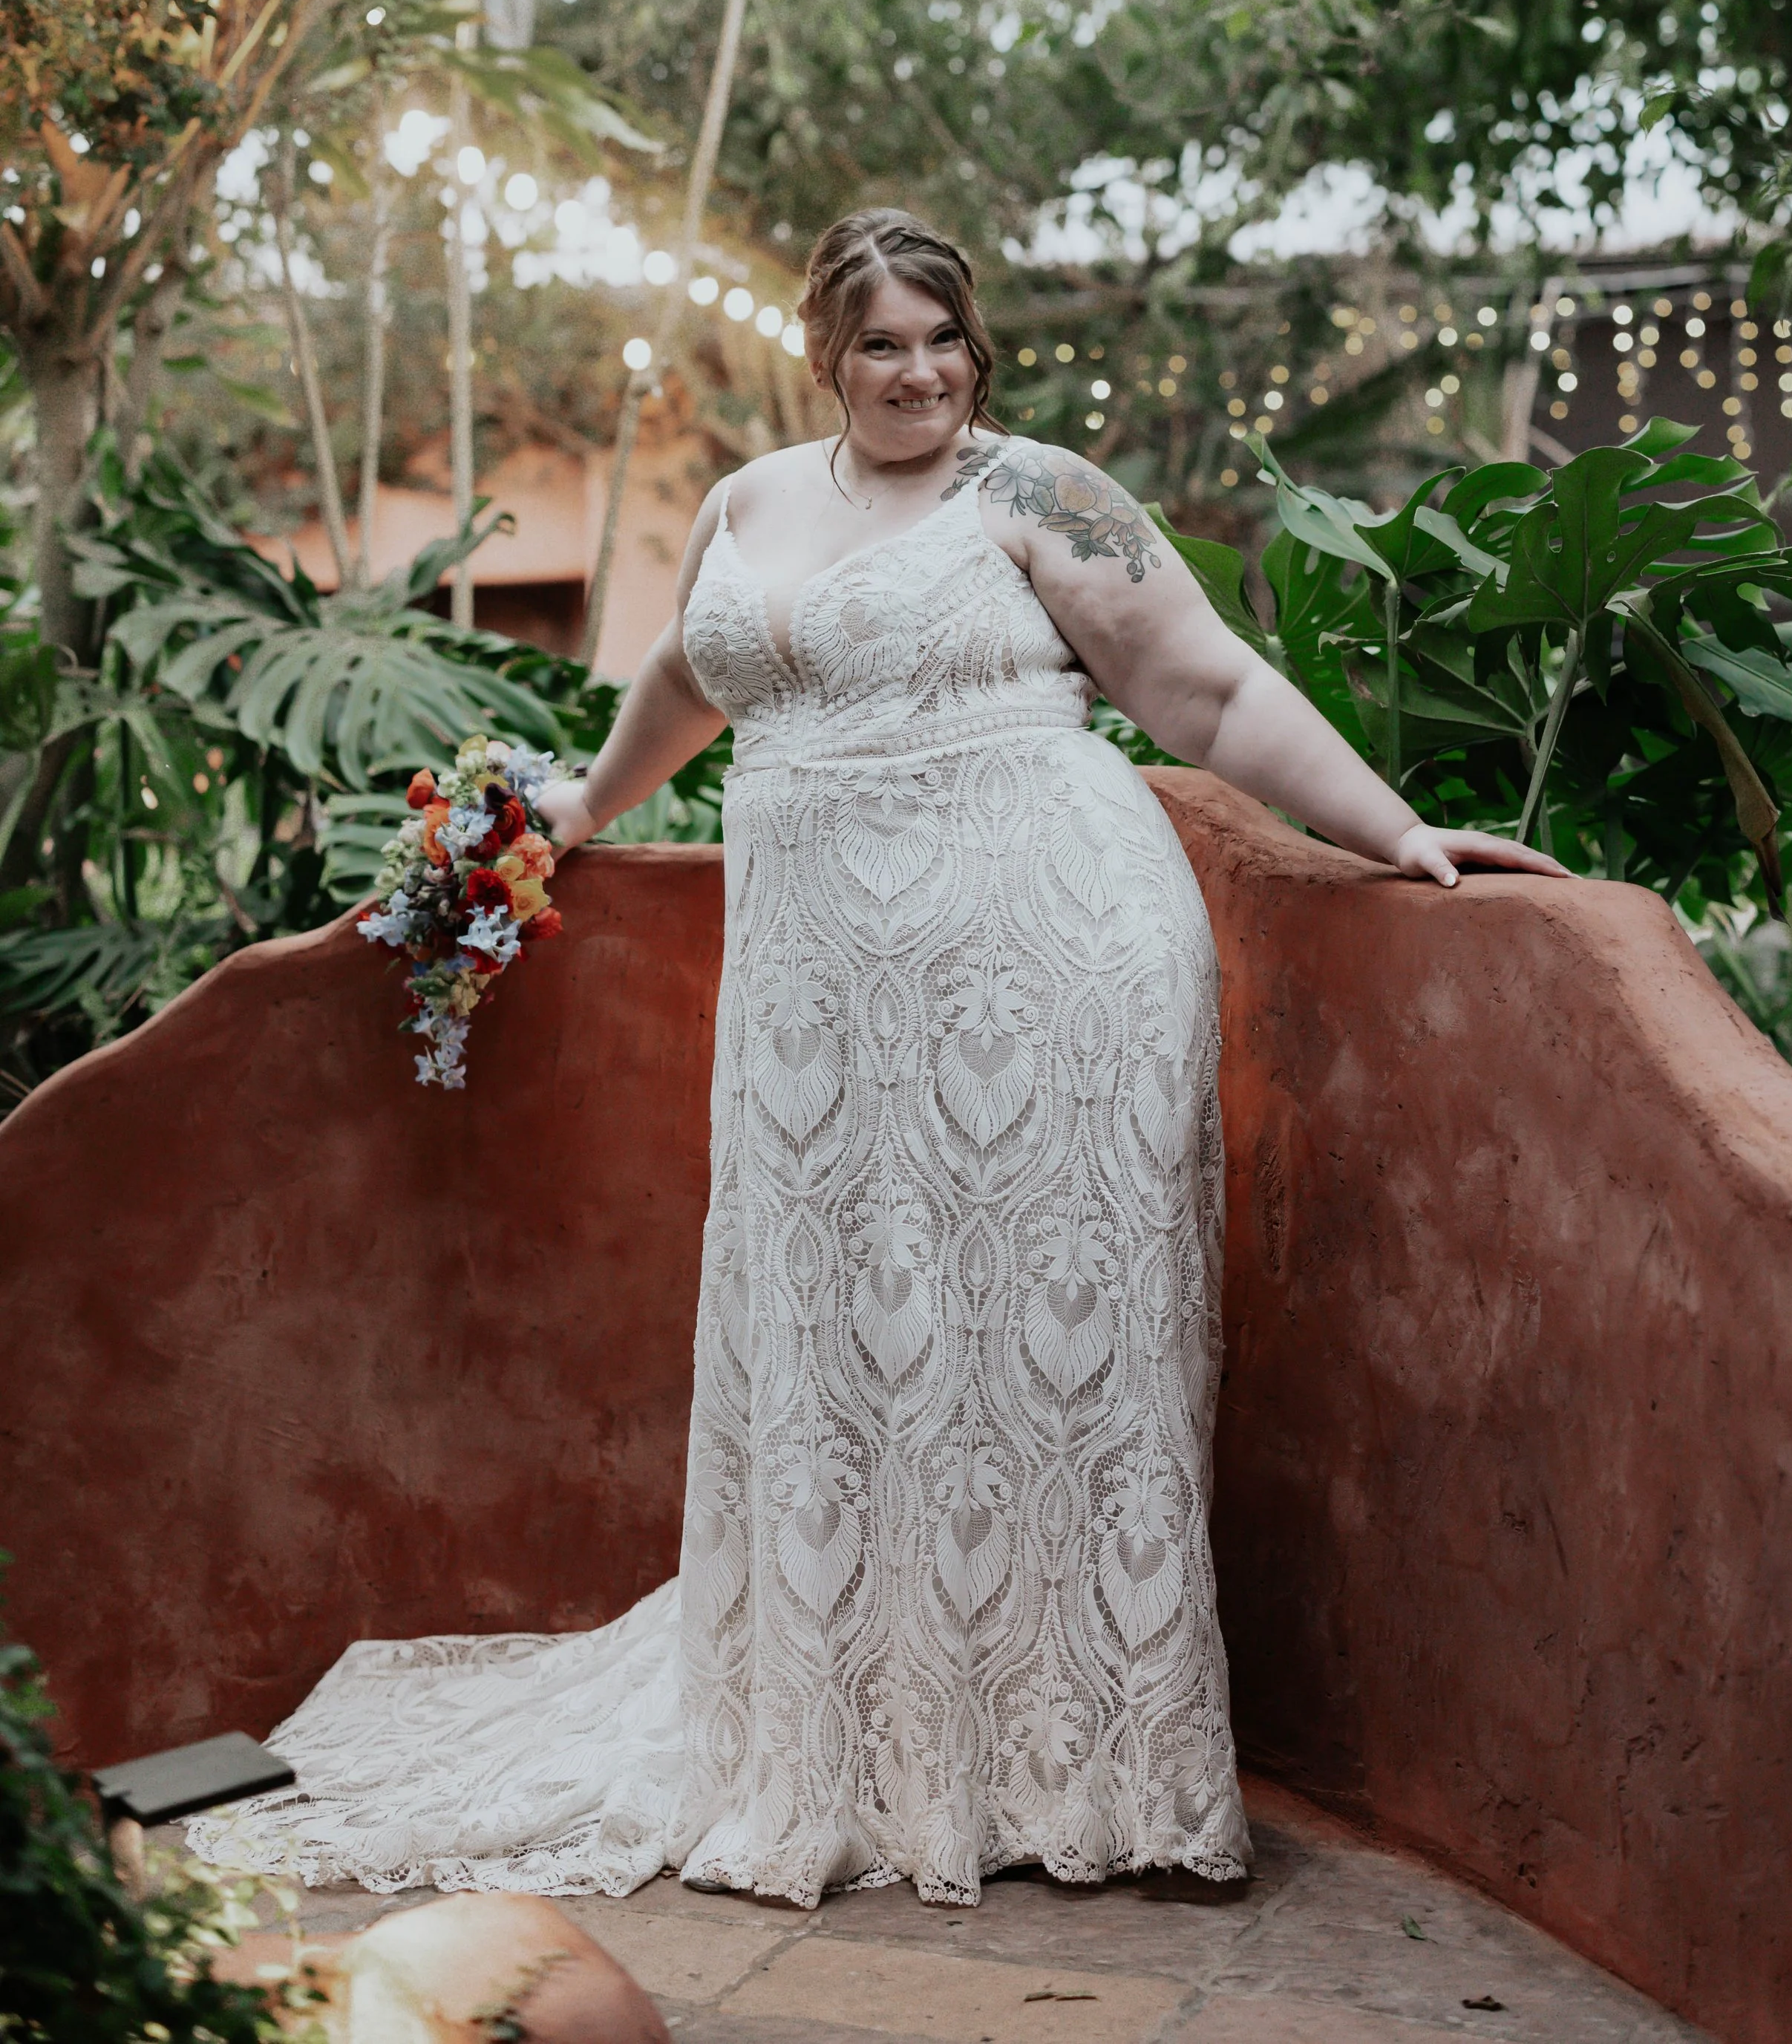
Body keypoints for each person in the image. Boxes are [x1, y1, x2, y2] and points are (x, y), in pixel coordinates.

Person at [191, 208, 1566, 1910]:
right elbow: (687, 682)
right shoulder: (748, 499)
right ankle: (863, 1738)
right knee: (839, 1348)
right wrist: (575, 811)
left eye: (941, 340)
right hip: (819, 999)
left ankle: (1076, 1761)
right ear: (825, 358)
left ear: (973, 349)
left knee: (1044, 1364)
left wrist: (1392, 828)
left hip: (1048, 969)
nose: (916, 372)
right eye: (881, 346)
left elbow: (1201, 692)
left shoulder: (1036, 494)